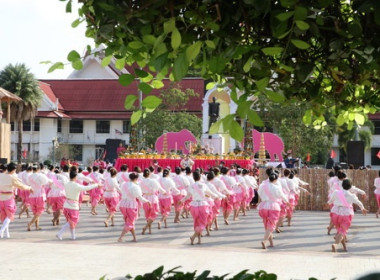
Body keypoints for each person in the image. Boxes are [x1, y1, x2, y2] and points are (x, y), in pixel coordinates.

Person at [56, 170, 101, 240]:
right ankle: (60, 233)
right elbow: (87, 188)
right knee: (73, 221)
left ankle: (73, 236)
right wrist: (96, 185)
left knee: (70, 221)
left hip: (67, 204)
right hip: (73, 205)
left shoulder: (66, 184)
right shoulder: (76, 185)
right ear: (75, 177)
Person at [328, 179, 368, 252]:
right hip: (346, 214)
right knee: (342, 232)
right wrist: (363, 208)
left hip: (336, 213)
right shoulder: (351, 195)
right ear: (350, 187)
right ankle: (335, 245)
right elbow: (359, 203)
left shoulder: (336, 192)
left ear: (342, 185)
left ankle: (344, 247)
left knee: (341, 231)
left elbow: (330, 201)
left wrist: (327, 204)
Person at [181, 170, 217, 245]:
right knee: (203, 223)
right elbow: (210, 193)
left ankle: (199, 240)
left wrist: (181, 200)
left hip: (193, 206)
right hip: (202, 205)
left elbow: (188, 196)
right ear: (200, 177)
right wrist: (217, 196)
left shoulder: (191, 186)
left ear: (193, 177)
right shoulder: (203, 185)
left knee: (197, 222)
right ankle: (193, 236)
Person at [0, 163, 33, 238]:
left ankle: (6, 233)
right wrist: (29, 188)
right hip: (8, 197)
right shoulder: (12, 177)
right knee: (10, 215)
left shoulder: (1, 175)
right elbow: (21, 186)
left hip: (1, 198)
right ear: (14, 170)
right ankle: (1, 230)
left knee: (5, 216)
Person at [258, 171, 290, 249]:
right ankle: (264, 241)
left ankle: (271, 243)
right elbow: (283, 196)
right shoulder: (276, 187)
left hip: (264, 206)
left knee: (267, 225)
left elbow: (259, 193)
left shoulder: (262, 186)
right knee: (271, 226)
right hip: (274, 206)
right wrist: (288, 203)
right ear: (276, 179)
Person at [118, 172, 149, 242]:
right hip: (131, 204)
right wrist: (147, 201)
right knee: (130, 222)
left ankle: (134, 238)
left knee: (129, 222)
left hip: (123, 204)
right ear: (136, 178)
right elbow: (140, 197)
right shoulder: (136, 186)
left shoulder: (124, 184)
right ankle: (120, 237)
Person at [140, 168, 166, 235]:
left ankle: (149, 230)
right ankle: (145, 227)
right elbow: (159, 188)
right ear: (150, 174)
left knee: (147, 215)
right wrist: (164, 192)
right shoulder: (153, 181)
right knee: (154, 214)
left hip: (145, 198)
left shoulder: (140, 182)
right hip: (153, 198)